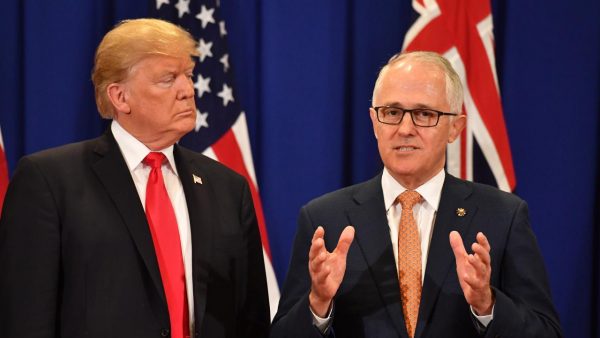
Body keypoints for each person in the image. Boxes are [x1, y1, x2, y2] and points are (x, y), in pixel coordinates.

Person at [0, 18, 270, 338]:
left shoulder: (228, 188)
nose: (187, 90)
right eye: (168, 79)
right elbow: (25, 319)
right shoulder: (49, 181)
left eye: (188, 75)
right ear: (120, 97)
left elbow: (252, 321)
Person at [270, 51, 562, 338]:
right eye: (392, 113)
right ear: (374, 122)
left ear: (455, 128)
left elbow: (546, 332)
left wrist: (488, 305)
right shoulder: (325, 219)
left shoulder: (502, 216)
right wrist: (318, 304)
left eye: (424, 114)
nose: (405, 129)